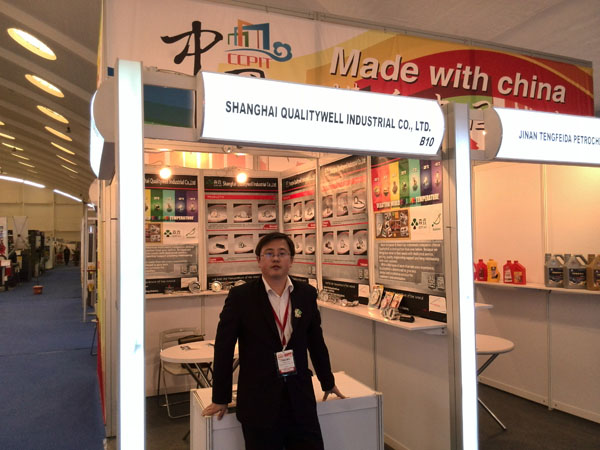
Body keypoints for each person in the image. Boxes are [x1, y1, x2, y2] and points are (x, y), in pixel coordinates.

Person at [202, 232, 344, 450]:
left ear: (291, 260)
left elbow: (315, 341)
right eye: (269, 253)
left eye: (282, 253)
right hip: (258, 400)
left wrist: (327, 381)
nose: (275, 258)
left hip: (300, 398)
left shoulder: (306, 294)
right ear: (259, 260)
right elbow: (224, 347)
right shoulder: (241, 297)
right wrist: (220, 396)